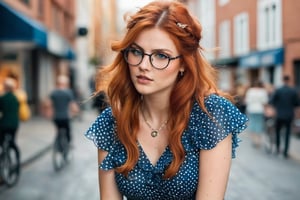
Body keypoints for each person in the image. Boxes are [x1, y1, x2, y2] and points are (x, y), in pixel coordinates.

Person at [85, 1, 248, 199]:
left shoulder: (210, 114)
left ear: (183, 64)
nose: (144, 65)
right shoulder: (112, 122)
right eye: (136, 51)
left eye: (161, 55)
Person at [269, 75, 299, 158]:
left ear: (282, 80)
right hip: (289, 115)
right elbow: (296, 104)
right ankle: (285, 151)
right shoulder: (293, 91)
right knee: (287, 133)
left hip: (279, 115)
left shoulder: (278, 90)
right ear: (289, 80)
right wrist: (296, 115)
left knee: (278, 132)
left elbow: (271, 102)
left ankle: (278, 149)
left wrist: (274, 110)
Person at [49, 75, 79, 145]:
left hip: (56, 117)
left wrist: (50, 113)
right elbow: (73, 106)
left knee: (58, 130)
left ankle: (59, 144)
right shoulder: (68, 93)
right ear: (65, 84)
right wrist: (76, 112)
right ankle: (68, 145)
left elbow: (48, 104)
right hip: (65, 117)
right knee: (68, 131)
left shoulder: (53, 93)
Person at [0, 78, 20, 159]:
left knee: (1, 140)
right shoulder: (16, 98)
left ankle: (4, 153)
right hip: (14, 124)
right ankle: (17, 158)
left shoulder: (2, 98)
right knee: (12, 142)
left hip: (3, 124)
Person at [244, 80, 268, 148]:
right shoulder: (263, 91)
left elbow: (247, 101)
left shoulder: (250, 91)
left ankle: (254, 140)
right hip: (260, 109)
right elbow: (264, 101)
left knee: (252, 123)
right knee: (259, 124)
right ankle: (258, 140)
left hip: (251, 109)